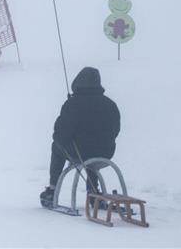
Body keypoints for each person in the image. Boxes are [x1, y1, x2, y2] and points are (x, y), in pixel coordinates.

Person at [40, 67, 121, 208]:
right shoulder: (110, 104)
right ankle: (93, 190)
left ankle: (53, 190)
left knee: (57, 147)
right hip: (106, 153)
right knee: (91, 150)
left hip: (80, 153)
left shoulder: (73, 104)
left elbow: (59, 135)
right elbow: (116, 130)